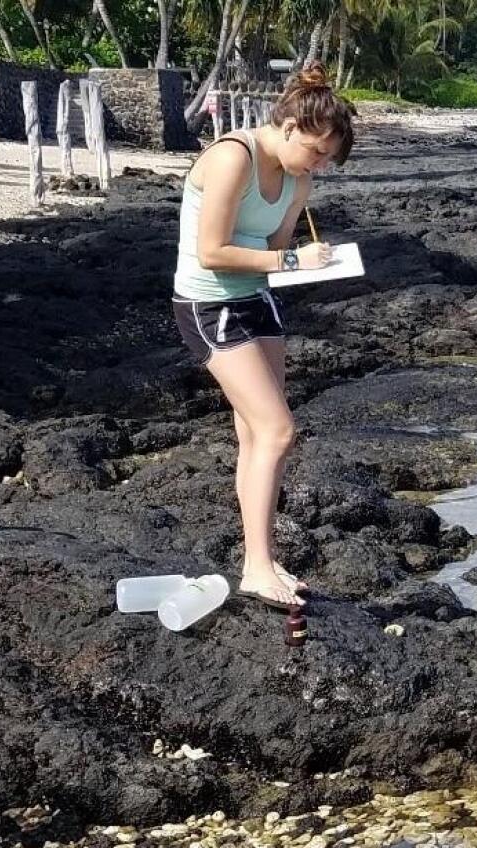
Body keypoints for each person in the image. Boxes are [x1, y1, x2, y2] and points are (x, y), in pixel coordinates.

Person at [171, 66, 354, 607]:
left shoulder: (299, 180)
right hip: (208, 303)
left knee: (256, 436)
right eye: (318, 151)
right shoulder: (233, 156)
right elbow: (214, 251)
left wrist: (315, 262)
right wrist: (292, 256)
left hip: (256, 300)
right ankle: (254, 566)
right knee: (278, 431)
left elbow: (273, 256)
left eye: (329, 159)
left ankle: (263, 557)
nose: (320, 164)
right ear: (293, 126)